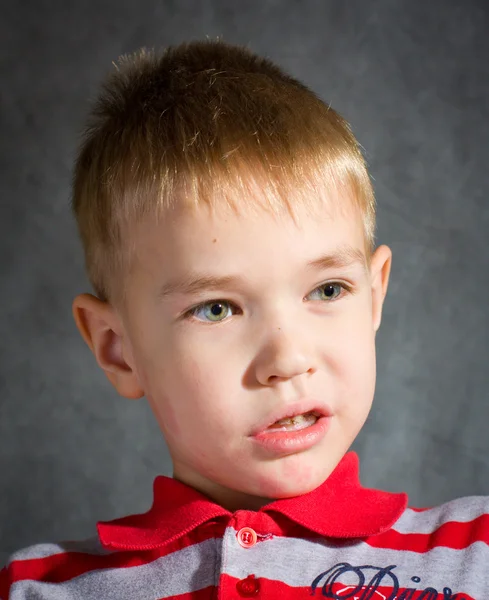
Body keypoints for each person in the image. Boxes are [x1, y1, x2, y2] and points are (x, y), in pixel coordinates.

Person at [1, 39, 487, 600]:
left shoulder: (472, 557)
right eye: (216, 308)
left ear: (374, 297)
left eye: (328, 289)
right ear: (117, 347)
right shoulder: (43, 588)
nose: (288, 360)